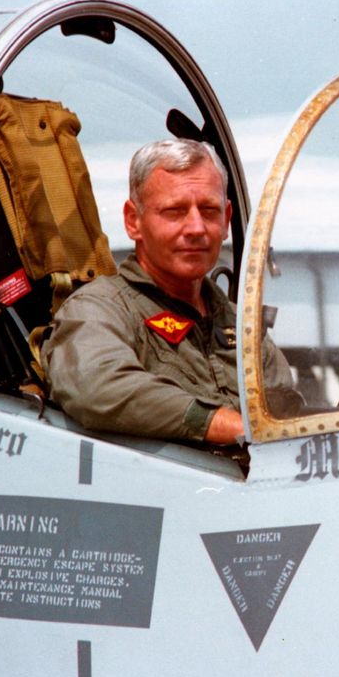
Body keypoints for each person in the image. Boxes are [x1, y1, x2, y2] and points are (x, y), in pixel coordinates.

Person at [42, 138, 296, 446]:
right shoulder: (99, 309)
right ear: (133, 220)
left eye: (209, 210)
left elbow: (287, 418)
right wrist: (216, 423)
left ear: (227, 220)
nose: (196, 228)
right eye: (174, 211)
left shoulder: (239, 324)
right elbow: (97, 385)